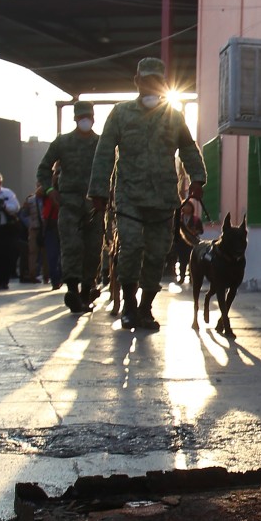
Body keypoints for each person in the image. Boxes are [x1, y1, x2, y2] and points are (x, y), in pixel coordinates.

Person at [88, 57, 206, 331]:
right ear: (137, 81)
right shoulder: (120, 113)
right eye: (147, 79)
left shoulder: (173, 115)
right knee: (130, 247)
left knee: (156, 254)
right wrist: (98, 191)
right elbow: (104, 152)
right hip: (129, 195)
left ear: (163, 83)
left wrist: (197, 178)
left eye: (157, 80)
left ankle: (145, 308)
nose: (152, 84)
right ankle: (129, 305)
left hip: (164, 197)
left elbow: (188, 148)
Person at [37, 101, 105, 313]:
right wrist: (49, 191)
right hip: (69, 202)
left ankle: (87, 290)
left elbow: (115, 168)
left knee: (93, 248)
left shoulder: (102, 143)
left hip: (95, 203)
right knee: (71, 245)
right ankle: (73, 290)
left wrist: (109, 195)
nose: (85, 120)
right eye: (81, 116)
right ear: (75, 119)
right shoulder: (62, 142)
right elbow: (43, 169)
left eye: (88, 116)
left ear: (93, 118)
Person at [171, 193, 204, 285]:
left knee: (192, 261)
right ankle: (181, 277)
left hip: (192, 243)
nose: (187, 208)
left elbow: (201, 230)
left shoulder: (196, 219)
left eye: (188, 206)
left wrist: (196, 231)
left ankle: (191, 278)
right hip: (180, 242)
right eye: (185, 206)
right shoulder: (178, 219)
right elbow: (174, 229)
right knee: (182, 260)